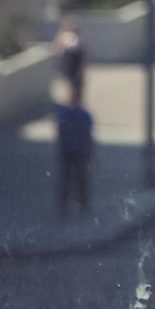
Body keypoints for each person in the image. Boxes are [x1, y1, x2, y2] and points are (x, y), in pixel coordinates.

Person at [52, 83, 96, 218]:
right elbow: (90, 134)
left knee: (67, 179)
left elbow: (59, 129)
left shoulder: (65, 113)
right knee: (80, 179)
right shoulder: (85, 115)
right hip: (79, 151)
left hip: (68, 151)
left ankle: (66, 205)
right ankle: (82, 204)